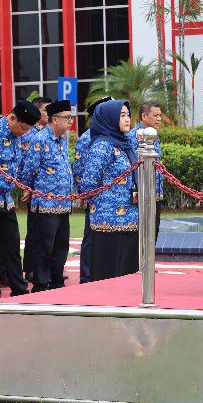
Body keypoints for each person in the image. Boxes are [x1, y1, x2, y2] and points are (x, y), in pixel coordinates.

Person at [0, 100, 40, 296]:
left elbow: (18, 165)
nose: (24, 132)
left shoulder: (20, 137)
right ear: (12, 117)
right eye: (22, 127)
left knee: (12, 244)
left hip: (6, 198)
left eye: (28, 129)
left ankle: (18, 288)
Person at [80, 99, 140, 281]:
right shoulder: (102, 146)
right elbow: (88, 183)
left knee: (127, 270)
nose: (127, 119)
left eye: (128, 115)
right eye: (122, 115)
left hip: (129, 217)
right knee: (110, 273)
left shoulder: (124, 144)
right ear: (109, 119)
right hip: (108, 221)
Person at [19, 100, 73, 291]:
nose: (71, 121)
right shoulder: (40, 139)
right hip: (45, 203)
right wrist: (27, 188)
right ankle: (41, 283)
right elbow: (29, 169)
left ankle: (56, 279)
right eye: (67, 118)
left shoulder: (62, 139)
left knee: (61, 246)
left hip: (63, 203)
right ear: (55, 119)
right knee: (44, 246)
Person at [73, 96, 112, 284]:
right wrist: (85, 194)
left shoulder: (113, 135)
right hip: (95, 197)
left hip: (112, 198)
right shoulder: (87, 137)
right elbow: (80, 168)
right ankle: (86, 276)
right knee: (91, 238)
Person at [21, 96, 52, 283]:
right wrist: (28, 186)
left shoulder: (46, 132)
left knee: (42, 232)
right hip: (34, 187)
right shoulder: (30, 133)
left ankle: (42, 268)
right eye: (45, 110)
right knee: (34, 231)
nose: (48, 114)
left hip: (43, 190)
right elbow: (28, 162)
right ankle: (31, 269)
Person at [126, 100, 164, 239]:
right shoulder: (134, 136)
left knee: (153, 234)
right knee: (141, 236)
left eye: (160, 115)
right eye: (155, 115)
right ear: (144, 116)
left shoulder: (154, 135)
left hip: (155, 193)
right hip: (142, 194)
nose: (159, 119)